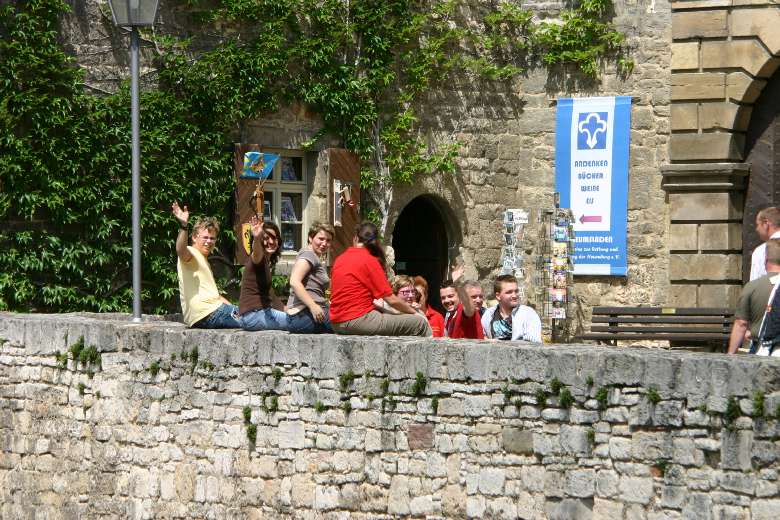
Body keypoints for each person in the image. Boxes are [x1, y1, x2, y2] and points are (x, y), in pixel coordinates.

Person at [330, 222, 431, 336]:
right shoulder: (369, 261)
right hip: (357, 321)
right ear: (376, 242)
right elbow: (391, 300)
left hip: (336, 322)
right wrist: (414, 312)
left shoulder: (340, 259)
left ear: (355, 238)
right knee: (420, 322)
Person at [171, 202, 240, 328]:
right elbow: (180, 250)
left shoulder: (203, 260)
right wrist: (184, 226)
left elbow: (216, 297)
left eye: (212, 238)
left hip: (212, 311)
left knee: (250, 315)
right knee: (256, 319)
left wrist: (235, 309)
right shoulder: (191, 252)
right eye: (205, 237)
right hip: (207, 312)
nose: (209, 241)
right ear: (194, 238)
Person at [729, 238, 780, 356]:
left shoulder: (752, 287)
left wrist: (731, 354)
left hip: (762, 350)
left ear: (766, 259)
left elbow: (741, 324)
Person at [238, 216, 288, 331]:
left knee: (295, 318)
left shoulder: (266, 263)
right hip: (254, 314)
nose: (271, 242)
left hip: (254, 315)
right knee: (298, 323)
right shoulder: (258, 259)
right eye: (265, 238)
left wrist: (287, 310)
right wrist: (257, 237)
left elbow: (272, 297)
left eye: (274, 238)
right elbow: (256, 253)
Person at [287, 222, 335, 334]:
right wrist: (313, 306)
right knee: (348, 320)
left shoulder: (313, 256)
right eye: (321, 239)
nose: (324, 243)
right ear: (310, 238)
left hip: (303, 316)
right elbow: (294, 281)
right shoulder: (308, 255)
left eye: (328, 240)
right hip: (303, 315)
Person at [481, 274, 542, 343]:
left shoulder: (528, 314)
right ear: (498, 296)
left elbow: (534, 342)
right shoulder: (489, 314)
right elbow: (481, 338)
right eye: (509, 292)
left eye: (516, 291)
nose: (514, 295)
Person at [439, 266, 484, 339]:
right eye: (443, 298)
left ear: (459, 296)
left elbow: (469, 307)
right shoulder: (450, 316)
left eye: (450, 296)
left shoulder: (463, 311)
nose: (446, 300)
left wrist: (458, 283)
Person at [750, 207, 780, 281]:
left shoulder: (760, 251)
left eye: (758, 224)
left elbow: (755, 283)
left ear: (766, 223)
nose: (757, 229)